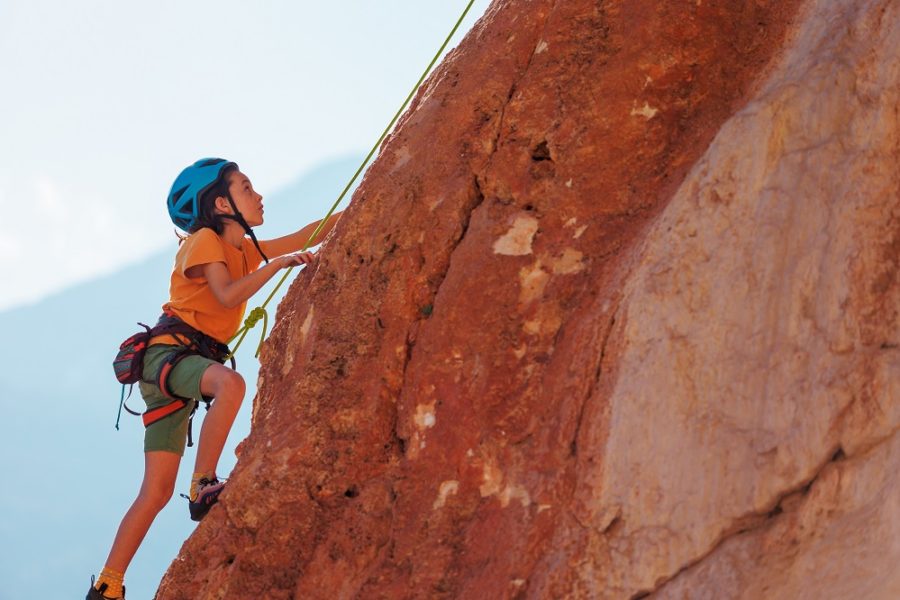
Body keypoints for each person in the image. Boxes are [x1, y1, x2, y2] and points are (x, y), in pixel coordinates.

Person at [88, 158, 341, 600]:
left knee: (156, 491)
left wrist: (364, 200)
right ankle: (204, 482)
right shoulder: (204, 240)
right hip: (171, 355)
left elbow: (307, 233)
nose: (258, 195)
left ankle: (107, 585)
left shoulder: (243, 249)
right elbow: (226, 293)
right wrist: (277, 264)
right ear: (222, 203)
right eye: (246, 188)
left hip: (173, 365)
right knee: (230, 385)